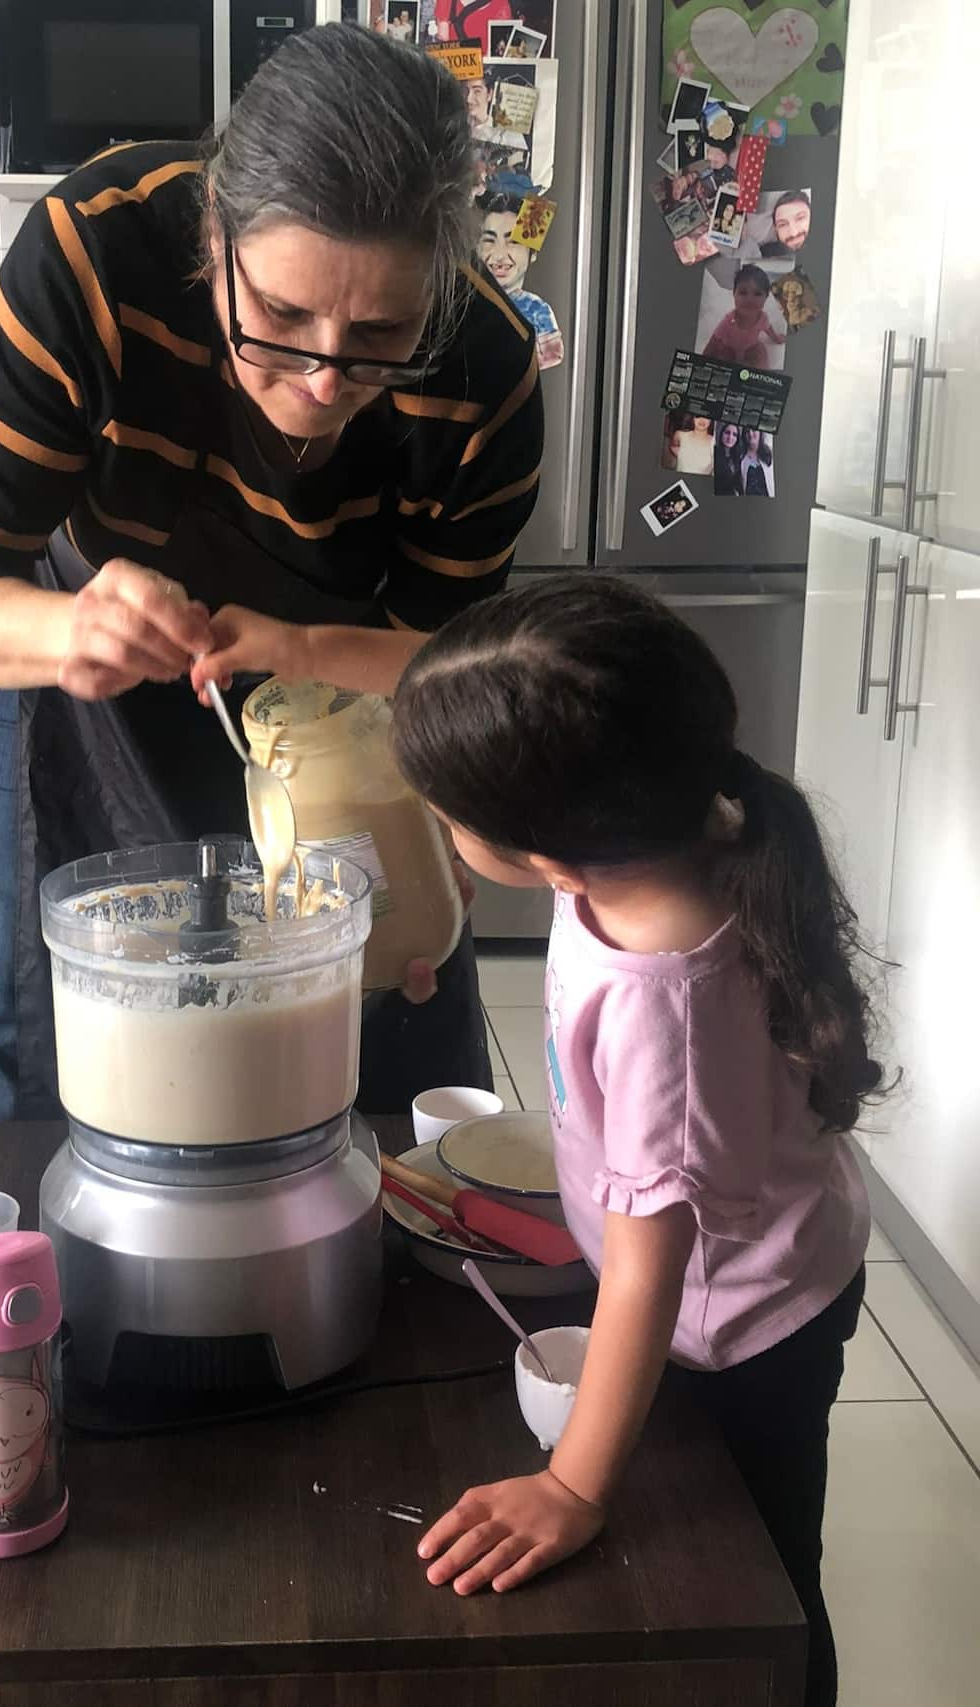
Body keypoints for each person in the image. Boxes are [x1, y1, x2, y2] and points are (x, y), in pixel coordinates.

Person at [0, 23, 543, 1123]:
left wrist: (440, 827)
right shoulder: (91, 253)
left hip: (337, 699)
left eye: (379, 332)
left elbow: (445, 663)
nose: (323, 381)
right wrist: (65, 632)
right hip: (79, 663)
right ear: (212, 233)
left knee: (391, 1002)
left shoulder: (483, 367)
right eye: (278, 318)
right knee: (35, 1012)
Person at [388, 575, 879, 1707]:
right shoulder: (649, 839)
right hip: (753, 1245)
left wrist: (570, 1487)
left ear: (548, 849)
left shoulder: (667, 1007)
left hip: (739, 1320)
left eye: (451, 815)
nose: (445, 835)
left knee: (754, 1579)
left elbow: (650, 1281)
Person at [475, 192, 563, 367]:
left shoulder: (537, 309)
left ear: (532, 253)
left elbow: (552, 355)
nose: (499, 255)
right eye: (489, 240)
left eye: (513, 241)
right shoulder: (464, 304)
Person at [702, 263, 786, 369]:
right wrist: (703, 359)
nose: (749, 299)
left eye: (757, 294)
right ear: (734, 294)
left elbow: (768, 329)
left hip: (750, 348)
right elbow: (714, 340)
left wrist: (776, 338)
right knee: (722, 355)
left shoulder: (762, 318)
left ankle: (756, 378)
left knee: (759, 350)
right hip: (729, 348)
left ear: (766, 297)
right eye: (743, 292)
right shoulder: (729, 320)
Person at [761, 189, 811, 257]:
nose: (793, 233)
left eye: (800, 218)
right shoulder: (762, 253)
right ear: (776, 230)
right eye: (782, 225)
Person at [671, 413, 714, 478]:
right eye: (698, 416)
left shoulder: (715, 442)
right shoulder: (680, 435)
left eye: (706, 417)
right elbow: (673, 446)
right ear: (693, 417)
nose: (702, 420)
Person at [741, 427, 774, 497]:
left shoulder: (770, 453)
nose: (750, 434)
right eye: (747, 431)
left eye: (753, 430)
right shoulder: (741, 458)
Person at [713, 421, 742, 496]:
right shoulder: (713, 452)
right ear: (721, 433)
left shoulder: (738, 457)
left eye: (734, 435)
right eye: (727, 433)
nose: (730, 437)